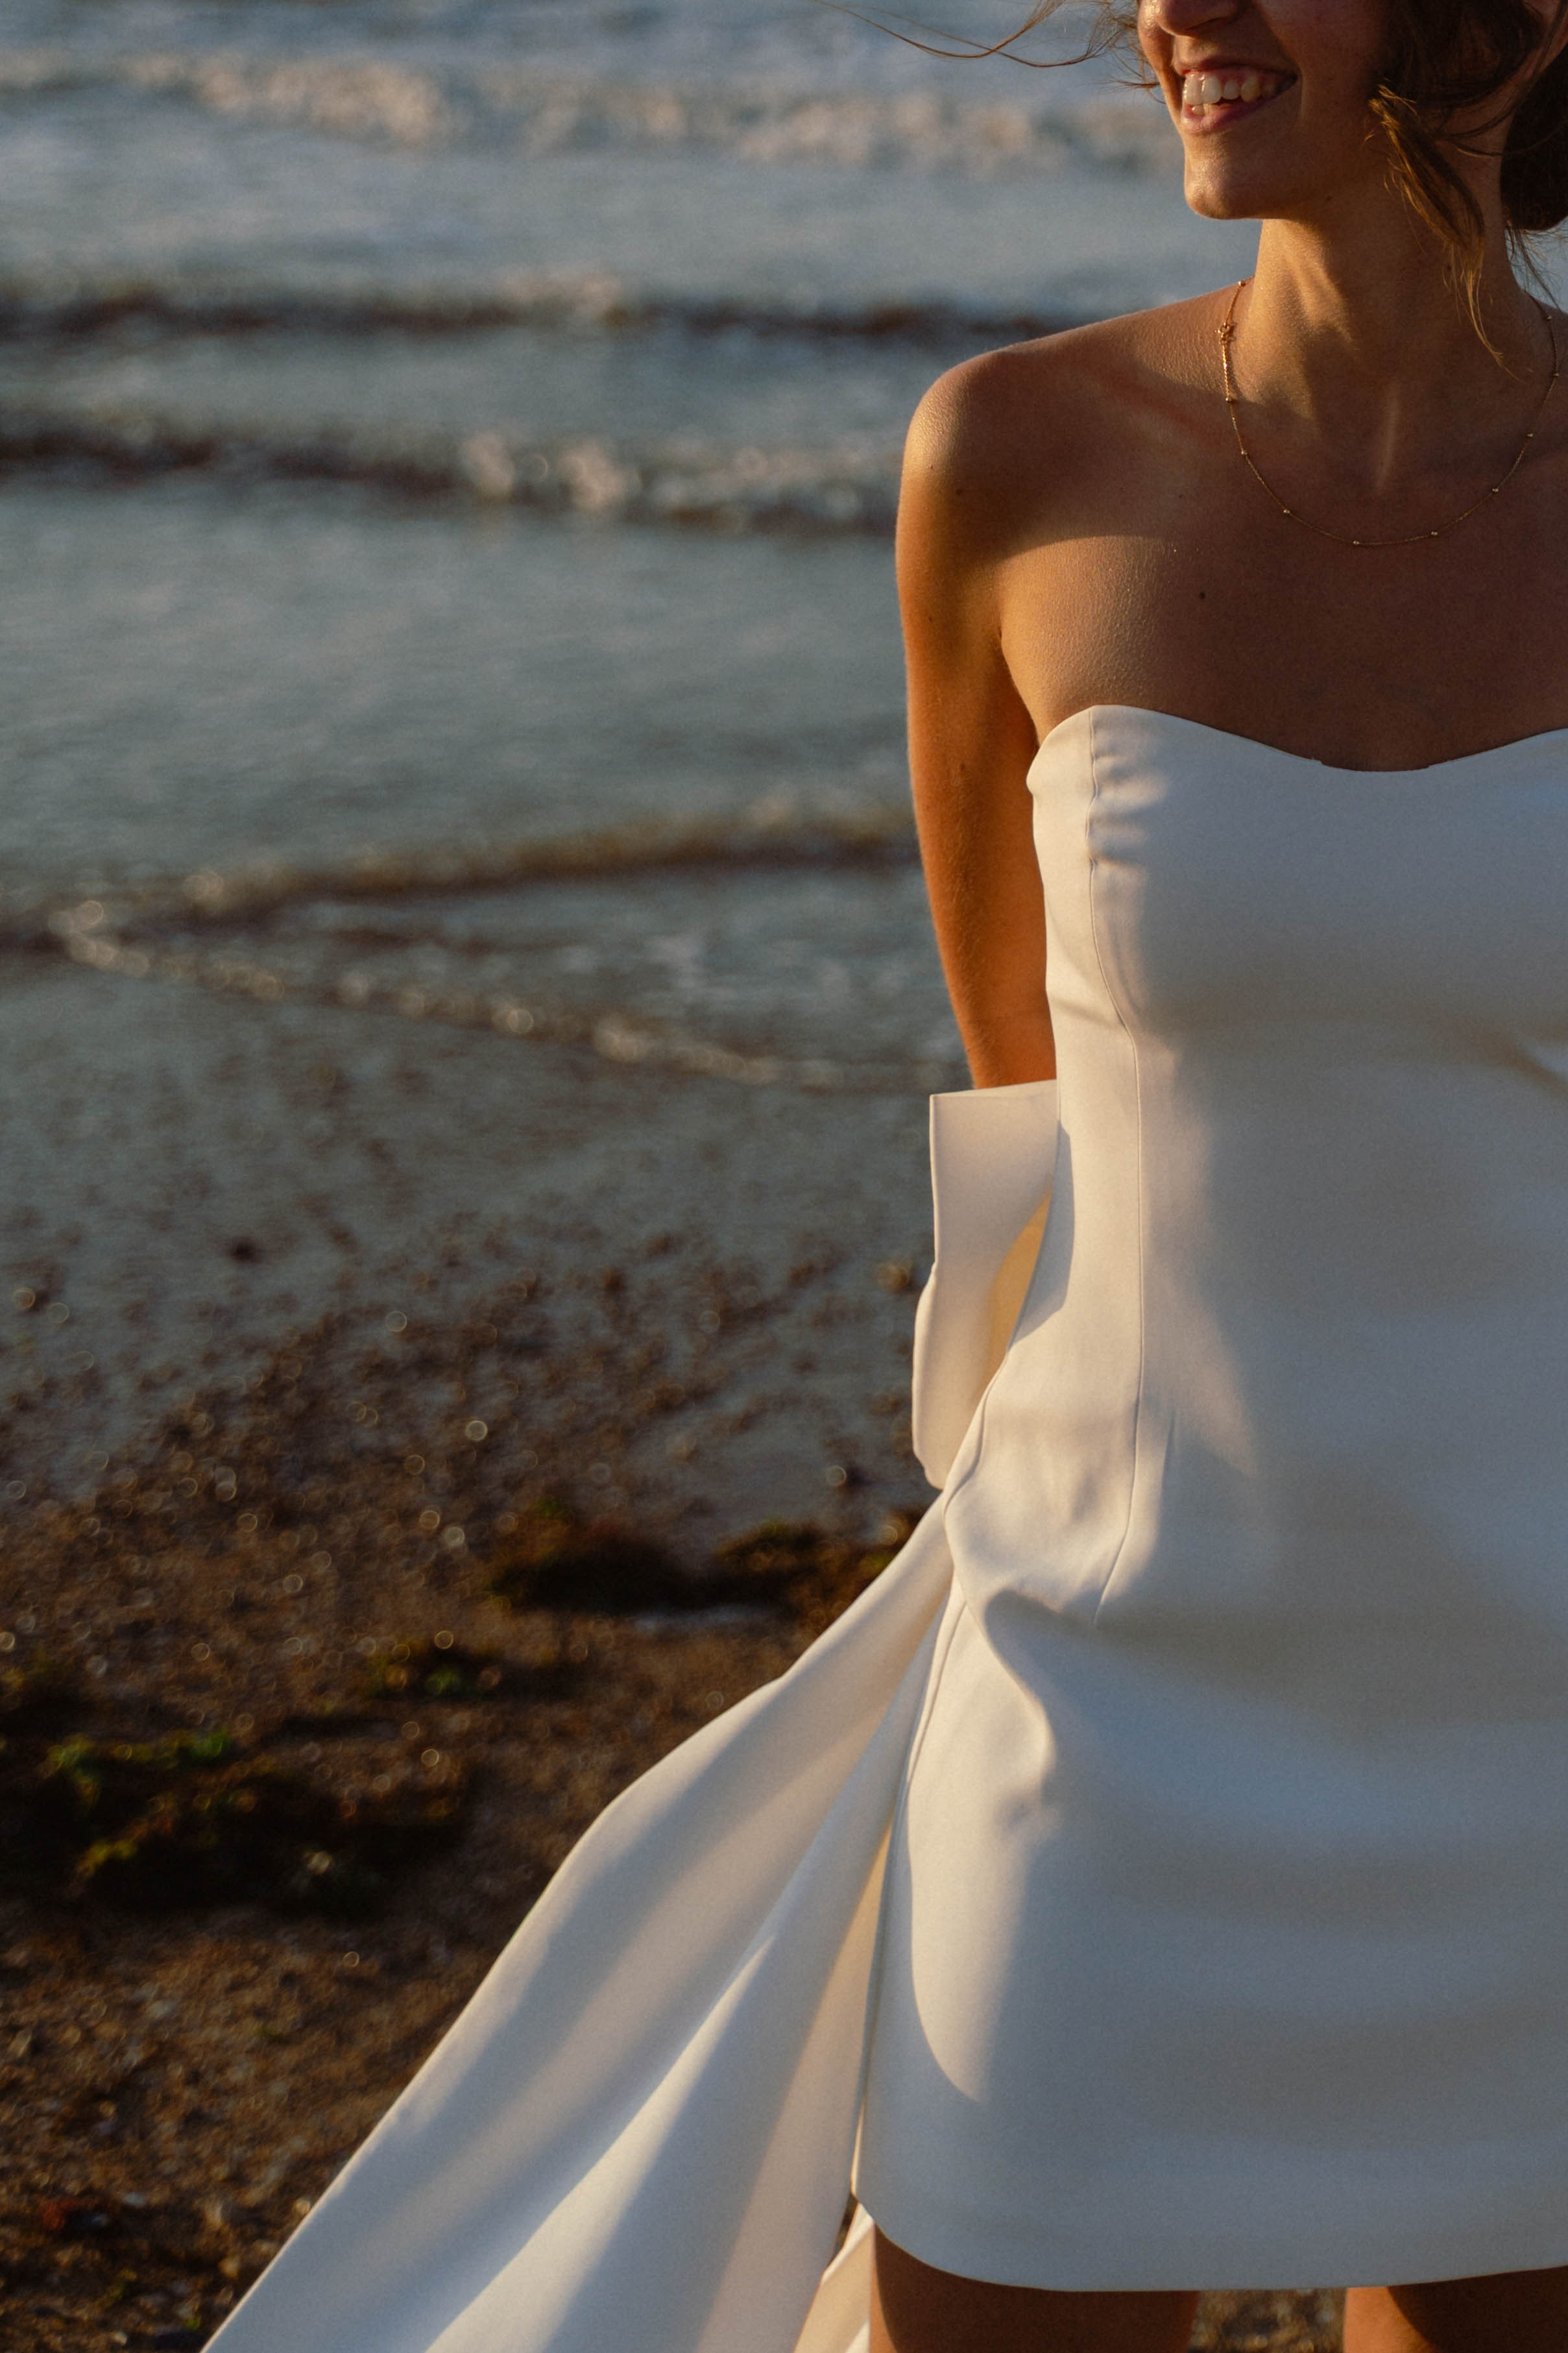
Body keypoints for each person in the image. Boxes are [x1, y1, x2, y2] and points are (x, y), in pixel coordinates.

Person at [210, 5, 1568, 2351]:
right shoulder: (1015, 459)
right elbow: (1027, 1113)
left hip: (1533, 1714)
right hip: (1106, 1680)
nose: (1177, 6)